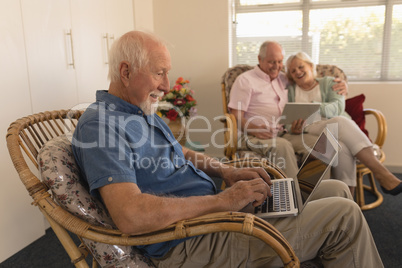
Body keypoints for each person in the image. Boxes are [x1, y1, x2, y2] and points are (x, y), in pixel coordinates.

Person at [72, 30, 384, 267]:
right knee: (344, 215)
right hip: (191, 240)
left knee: (335, 190)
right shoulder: (101, 125)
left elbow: (179, 152)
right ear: (126, 72)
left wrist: (228, 170)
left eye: (167, 72)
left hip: (216, 215)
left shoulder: (138, 112)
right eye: (159, 73)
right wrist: (224, 200)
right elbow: (130, 214)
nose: (167, 86)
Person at [285, 51, 402, 196]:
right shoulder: (290, 90)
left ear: (310, 66)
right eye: (293, 71)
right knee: (340, 122)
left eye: (301, 67)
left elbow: (338, 108)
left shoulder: (331, 82)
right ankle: (381, 173)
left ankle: (347, 200)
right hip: (310, 129)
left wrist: (311, 107)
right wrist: (293, 128)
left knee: (342, 144)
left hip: (338, 128)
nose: (298, 72)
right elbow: (287, 119)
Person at [228, 41, 348, 178]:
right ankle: (294, 197)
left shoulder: (283, 78)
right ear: (259, 59)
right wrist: (253, 128)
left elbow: (309, 80)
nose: (277, 66)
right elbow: (235, 116)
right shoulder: (245, 80)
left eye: (279, 62)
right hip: (252, 135)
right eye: (272, 62)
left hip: (285, 133)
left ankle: (316, 194)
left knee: (326, 145)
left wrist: (343, 86)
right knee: (283, 146)